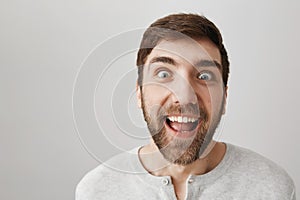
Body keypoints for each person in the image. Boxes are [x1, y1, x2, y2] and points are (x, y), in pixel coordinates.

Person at [76, 13, 295, 200]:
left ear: (225, 97)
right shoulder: (96, 190)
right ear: (139, 94)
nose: (185, 96)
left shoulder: (272, 187)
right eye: (164, 74)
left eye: (204, 75)